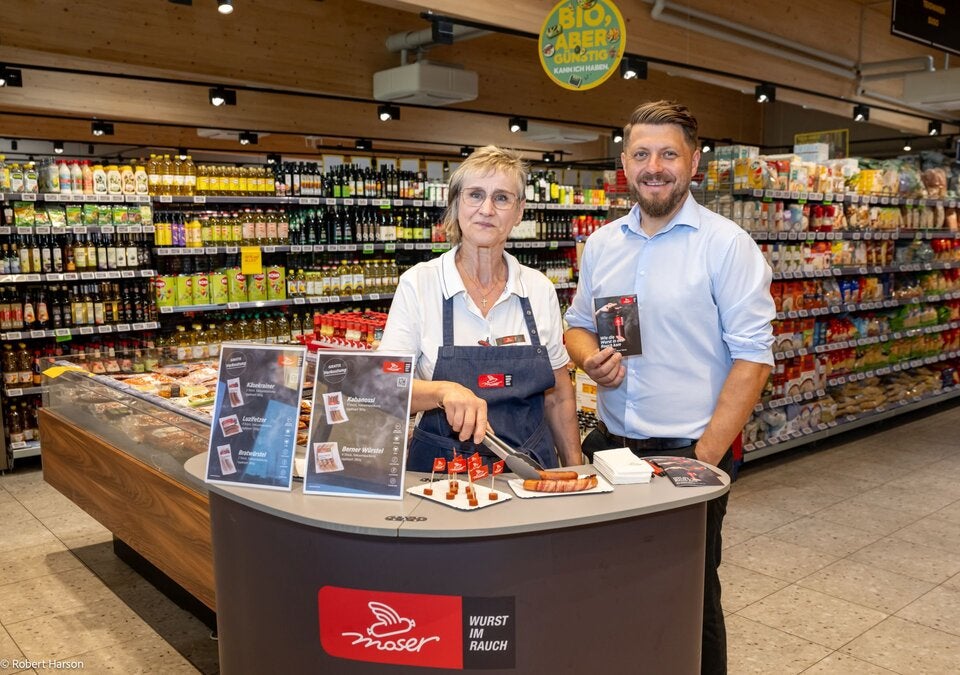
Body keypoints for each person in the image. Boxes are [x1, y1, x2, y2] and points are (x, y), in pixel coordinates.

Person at [563, 101, 775, 674]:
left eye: (667, 154)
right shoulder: (603, 243)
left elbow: (753, 359)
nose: (653, 167)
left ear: (694, 161)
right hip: (610, 446)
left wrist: (704, 458)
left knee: (691, 598)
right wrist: (590, 362)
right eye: (641, 154)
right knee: (613, 587)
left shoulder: (727, 245)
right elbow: (578, 324)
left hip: (687, 453)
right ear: (624, 163)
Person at [379, 145, 582, 472]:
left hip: (531, 469)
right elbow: (386, 387)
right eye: (475, 195)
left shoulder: (538, 288)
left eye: (502, 198)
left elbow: (558, 396)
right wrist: (442, 391)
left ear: (519, 212)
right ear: (457, 203)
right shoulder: (420, 284)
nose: (486, 209)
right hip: (441, 474)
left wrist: (575, 469)